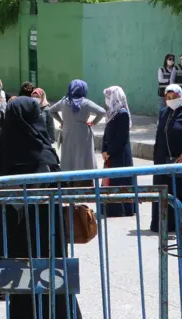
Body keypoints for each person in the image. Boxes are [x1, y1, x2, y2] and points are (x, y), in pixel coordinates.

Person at [0, 97, 81, 319]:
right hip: (45, 222)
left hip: (15, 222)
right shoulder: (41, 146)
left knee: (21, 270)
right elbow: (58, 178)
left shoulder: (1, 144)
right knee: (51, 269)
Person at [152, 84, 182, 232]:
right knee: (166, 194)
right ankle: (166, 225)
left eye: (174, 97)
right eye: (168, 98)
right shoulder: (164, 112)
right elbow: (159, 136)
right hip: (165, 162)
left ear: (181, 95)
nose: (171, 100)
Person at [49, 80, 106, 172]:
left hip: (67, 131)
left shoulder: (64, 101)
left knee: (68, 155)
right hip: (83, 133)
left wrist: (61, 121)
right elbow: (102, 111)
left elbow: (51, 110)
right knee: (83, 157)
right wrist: (94, 122)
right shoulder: (86, 102)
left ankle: (68, 180)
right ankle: (84, 179)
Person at [102, 86, 135, 217]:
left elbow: (121, 137)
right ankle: (111, 208)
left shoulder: (122, 113)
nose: (107, 99)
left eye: (108, 96)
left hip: (120, 154)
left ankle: (122, 209)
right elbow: (106, 133)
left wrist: (109, 151)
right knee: (111, 181)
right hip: (110, 153)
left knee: (121, 181)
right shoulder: (111, 113)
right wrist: (104, 149)